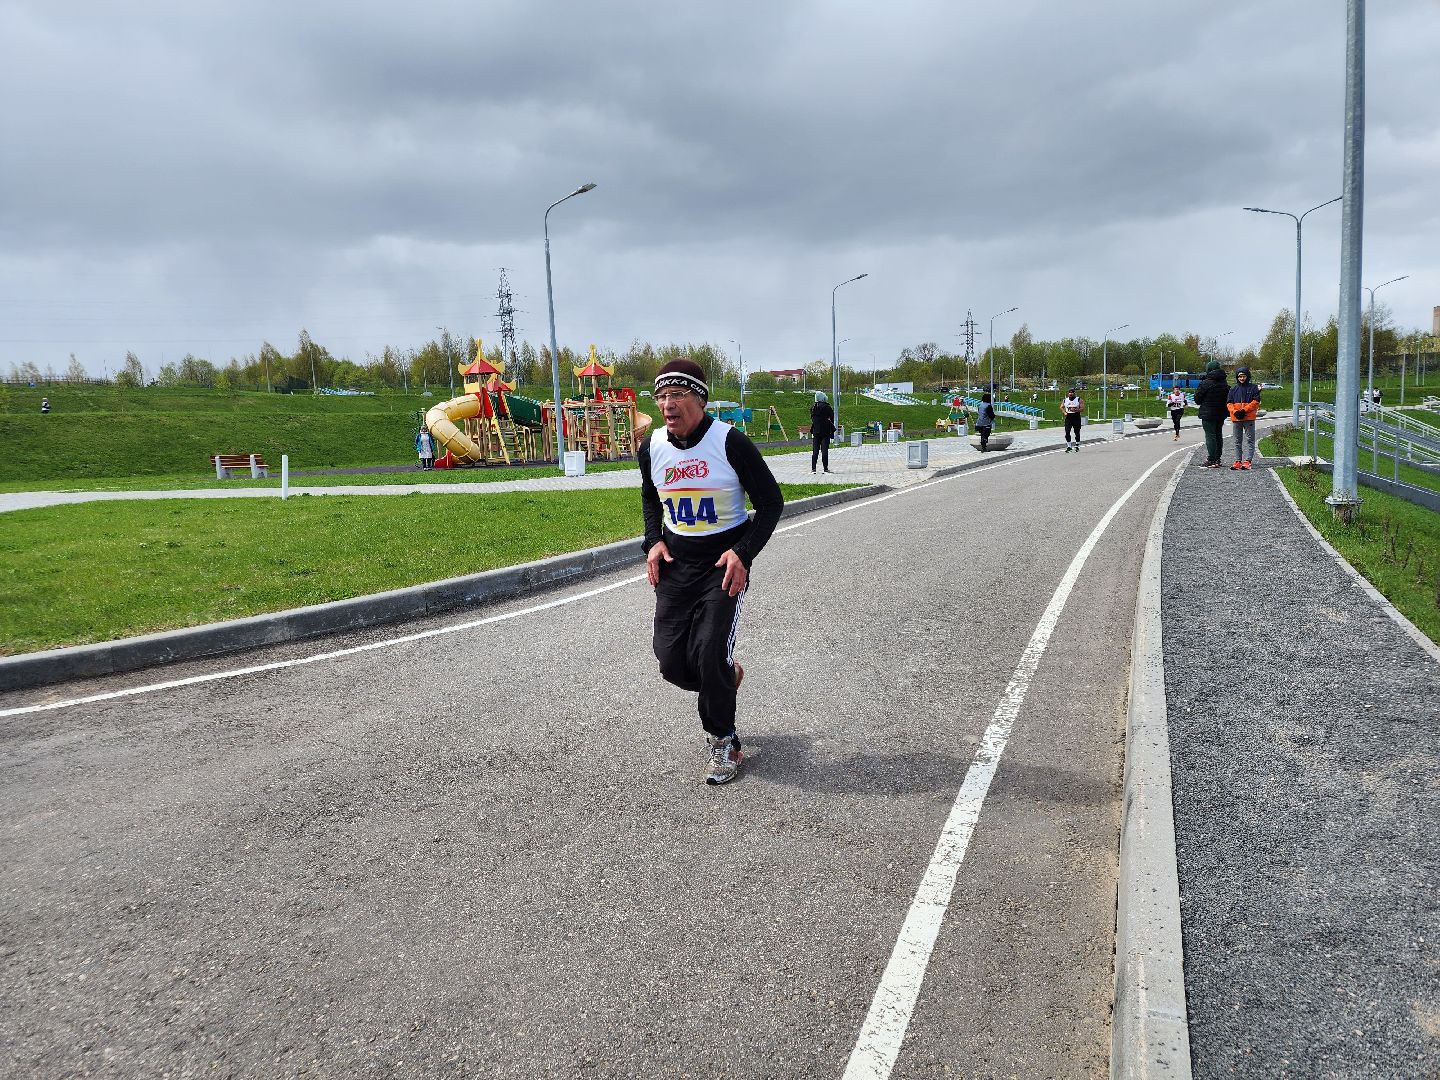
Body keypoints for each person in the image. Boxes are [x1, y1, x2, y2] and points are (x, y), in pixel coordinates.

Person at [639, 357, 784, 785]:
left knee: (708, 651)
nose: (668, 404)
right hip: (676, 566)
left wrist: (744, 552)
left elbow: (771, 504)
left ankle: (724, 741)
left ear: (699, 399)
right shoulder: (651, 447)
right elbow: (650, 497)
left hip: (723, 566)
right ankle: (725, 675)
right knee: (670, 662)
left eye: (678, 394)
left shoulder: (730, 442)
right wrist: (654, 542)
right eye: (662, 396)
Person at [1193, 360, 1229, 469]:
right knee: (1218, 434)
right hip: (1221, 413)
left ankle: (1212, 459)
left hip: (1208, 414)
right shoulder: (1224, 383)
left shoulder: (1205, 383)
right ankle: (1218, 458)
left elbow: (1197, 400)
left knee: (1210, 435)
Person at [1226, 365, 1261, 470]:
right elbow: (1229, 403)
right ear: (1237, 377)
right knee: (1237, 440)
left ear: (1247, 376)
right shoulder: (1233, 389)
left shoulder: (1253, 388)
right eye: (1240, 376)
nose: (1241, 378)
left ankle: (1248, 460)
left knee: (1250, 440)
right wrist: (1235, 411)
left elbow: (1256, 402)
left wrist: (1244, 410)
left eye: (1243, 376)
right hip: (1236, 418)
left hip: (1248, 418)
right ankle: (1238, 460)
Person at [808, 392, 835, 473]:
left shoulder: (812, 407)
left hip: (816, 431)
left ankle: (813, 469)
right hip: (825, 431)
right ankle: (825, 469)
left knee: (815, 451)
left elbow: (813, 418)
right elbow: (832, 418)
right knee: (824, 450)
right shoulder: (827, 407)